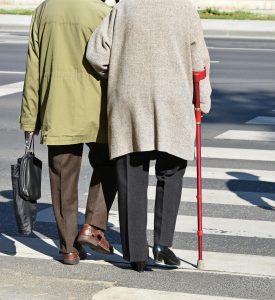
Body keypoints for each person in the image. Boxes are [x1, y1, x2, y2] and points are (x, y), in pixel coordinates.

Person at [86, 0, 212, 272]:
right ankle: (162, 243)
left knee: (132, 172)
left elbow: (96, 54)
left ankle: (136, 254)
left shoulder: (124, 8)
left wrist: (118, 73)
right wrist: (202, 102)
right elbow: (199, 62)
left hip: (130, 99)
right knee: (172, 169)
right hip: (172, 99)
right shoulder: (185, 9)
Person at [20, 0, 117, 265]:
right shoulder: (104, 12)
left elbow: (34, 70)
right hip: (97, 108)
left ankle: (69, 249)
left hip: (58, 106)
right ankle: (93, 226)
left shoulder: (44, 10)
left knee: (63, 177)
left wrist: (30, 118)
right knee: (109, 163)